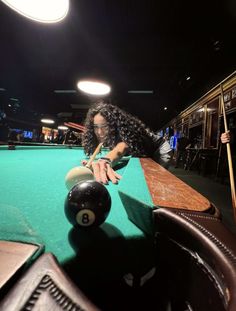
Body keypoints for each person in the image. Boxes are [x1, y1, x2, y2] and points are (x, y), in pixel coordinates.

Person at [82, 101, 172, 184]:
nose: (99, 132)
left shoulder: (126, 132)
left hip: (160, 149)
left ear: (113, 124)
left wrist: (105, 160)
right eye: (96, 127)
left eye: (104, 126)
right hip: (145, 149)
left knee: (156, 180)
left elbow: (121, 148)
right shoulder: (110, 134)